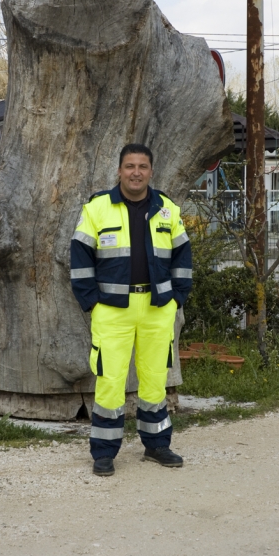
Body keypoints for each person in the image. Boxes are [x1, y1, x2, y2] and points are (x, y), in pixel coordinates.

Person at [70, 143, 192, 476]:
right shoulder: (97, 209)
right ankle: (105, 452)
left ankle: (157, 445)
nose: (135, 172)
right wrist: (91, 300)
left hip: (157, 308)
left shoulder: (168, 210)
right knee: (110, 380)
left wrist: (177, 297)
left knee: (154, 380)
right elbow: (80, 256)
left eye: (142, 166)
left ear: (151, 171)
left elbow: (183, 256)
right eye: (129, 166)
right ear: (119, 171)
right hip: (112, 309)